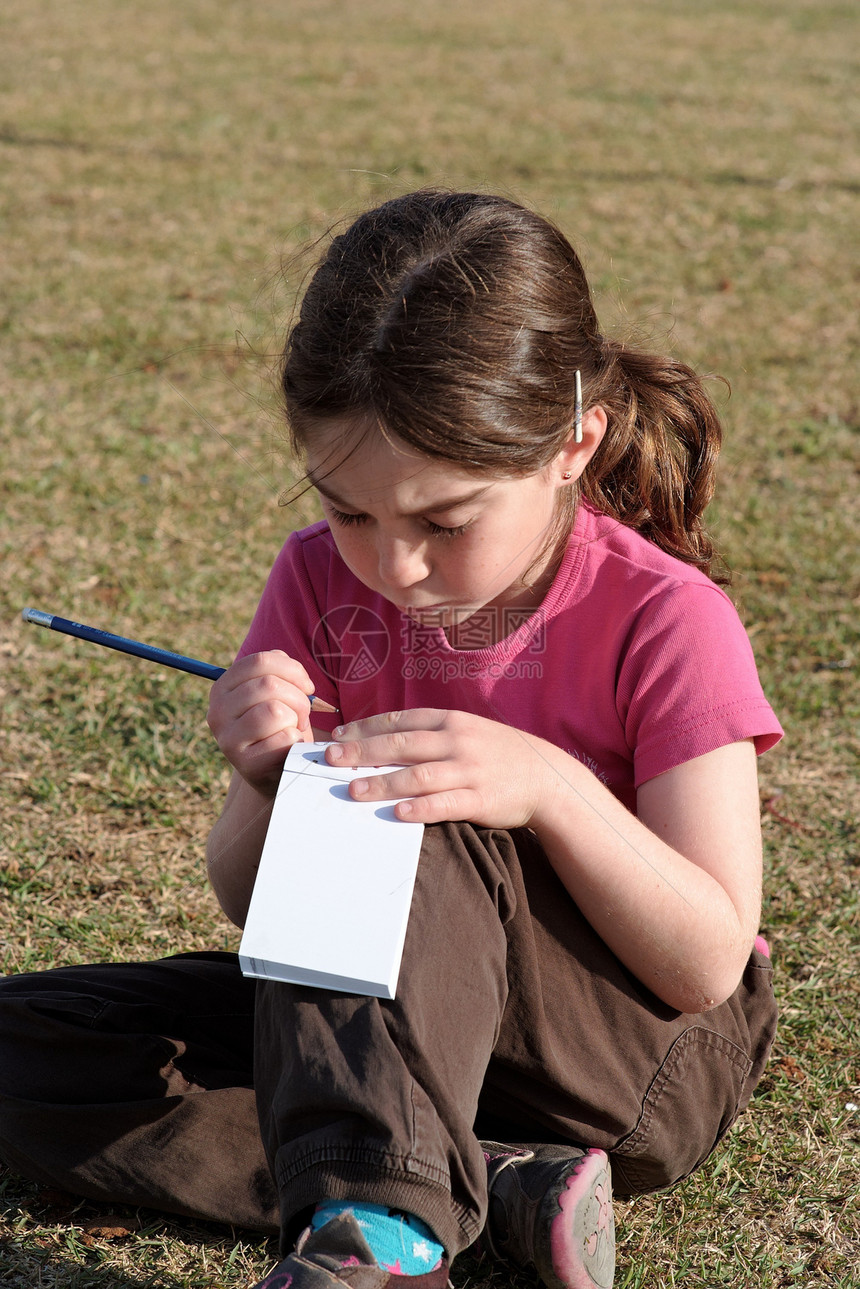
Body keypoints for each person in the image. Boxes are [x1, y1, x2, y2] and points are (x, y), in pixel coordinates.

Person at [0, 191, 781, 1289]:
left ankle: (383, 1241)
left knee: (417, 811)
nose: (393, 563)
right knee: (31, 1042)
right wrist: (267, 778)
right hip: (375, 1027)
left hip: (631, 1056)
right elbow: (246, 902)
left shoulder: (664, 614)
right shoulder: (315, 579)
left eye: (443, 522)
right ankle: (497, 1183)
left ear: (573, 444)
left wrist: (547, 786)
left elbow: (703, 960)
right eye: (350, 511)